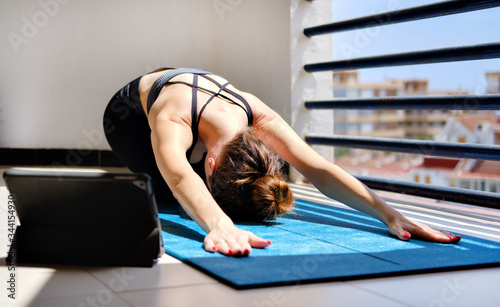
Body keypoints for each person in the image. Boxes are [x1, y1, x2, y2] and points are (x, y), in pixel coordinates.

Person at [103, 67, 462, 257]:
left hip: (201, 115)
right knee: (168, 194)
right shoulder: (173, 116)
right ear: (211, 166)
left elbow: (321, 169)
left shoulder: (255, 113)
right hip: (127, 118)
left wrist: (390, 214)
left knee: (196, 192)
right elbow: (181, 174)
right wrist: (218, 223)